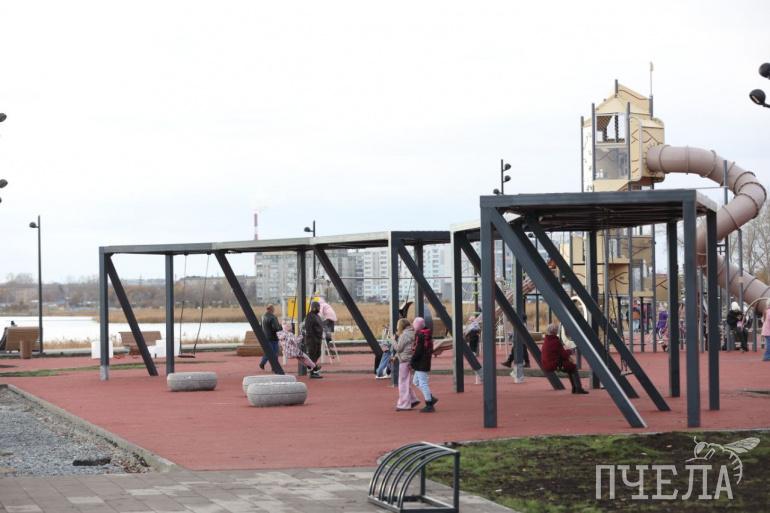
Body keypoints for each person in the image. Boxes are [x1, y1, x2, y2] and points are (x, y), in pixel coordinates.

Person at [541, 323, 588, 394]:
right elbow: (563, 354)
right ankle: (578, 388)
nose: (557, 331)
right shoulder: (555, 341)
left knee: (570, 367)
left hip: (548, 363)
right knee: (573, 367)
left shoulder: (547, 340)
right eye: (557, 330)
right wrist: (571, 351)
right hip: (554, 364)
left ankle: (575, 388)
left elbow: (558, 353)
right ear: (554, 331)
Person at [410, 317, 438, 413]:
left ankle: (429, 404)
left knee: (422, 383)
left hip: (420, 362)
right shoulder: (427, 333)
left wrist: (412, 361)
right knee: (416, 381)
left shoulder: (419, 335)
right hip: (426, 360)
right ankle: (430, 397)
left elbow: (418, 350)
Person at [393, 318, 420, 410]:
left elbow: (399, 348)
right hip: (411, 360)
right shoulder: (413, 333)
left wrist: (393, 340)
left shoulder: (404, 335)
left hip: (404, 361)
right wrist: (396, 356)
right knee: (407, 382)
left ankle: (404, 404)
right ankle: (412, 399)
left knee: (403, 383)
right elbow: (406, 348)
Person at [304, 301, 324, 378]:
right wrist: (312, 338)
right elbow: (308, 328)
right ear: (314, 307)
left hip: (318, 339)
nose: (319, 308)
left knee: (318, 354)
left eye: (319, 307)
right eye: (318, 307)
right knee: (312, 355)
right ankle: (312, 372)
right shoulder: (310, 316)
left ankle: (313, 368)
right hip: (312, 340)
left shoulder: (317, 316)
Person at [259, 304, 283, 371]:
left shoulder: (263, 317)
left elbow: (261, 327)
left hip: (265, 337)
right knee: (275, 352)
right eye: (273, 309)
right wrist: (281, 327)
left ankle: (263, 363)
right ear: (271, 309)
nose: (274, 310)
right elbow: (276, 328)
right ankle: (274, 367)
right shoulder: (273, 317)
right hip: (273, 338)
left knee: (268, 351)